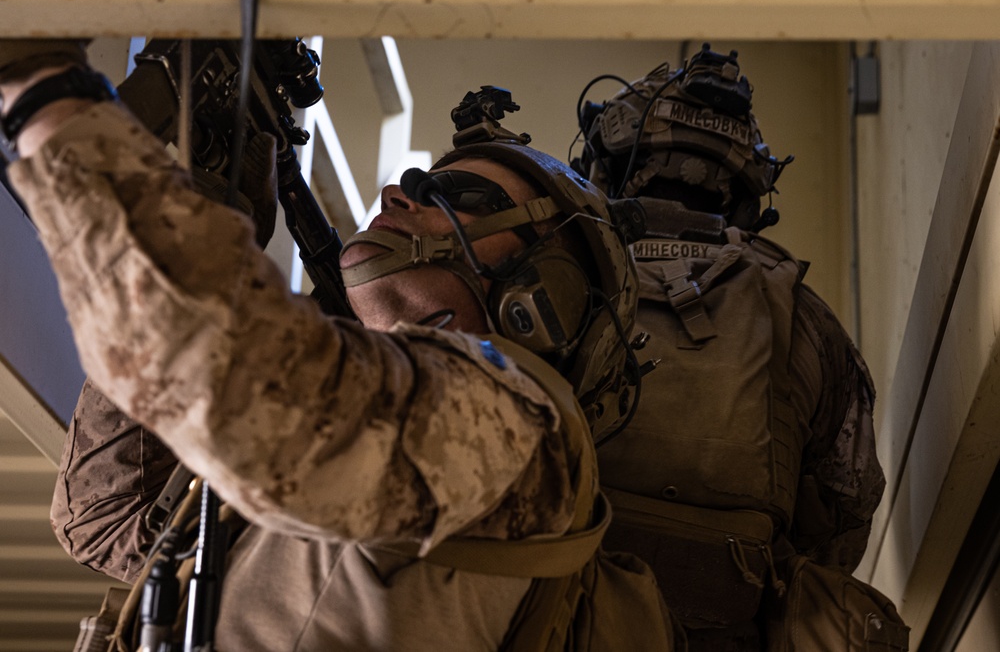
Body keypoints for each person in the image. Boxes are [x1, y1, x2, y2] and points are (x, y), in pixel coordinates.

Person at [0, 40, 675, 650]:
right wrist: (208, 220)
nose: (399, 192)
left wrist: (45, 96)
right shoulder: (354, 448)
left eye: (455, 192)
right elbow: (106, 522)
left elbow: (229, 383)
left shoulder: (525, 430)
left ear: (546, 291)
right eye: (414, 178)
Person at [573, 44, 902, 651]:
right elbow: (844, 510)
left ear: (606, 167)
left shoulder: (552, 275)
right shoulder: (806, 316)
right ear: (749, 197)